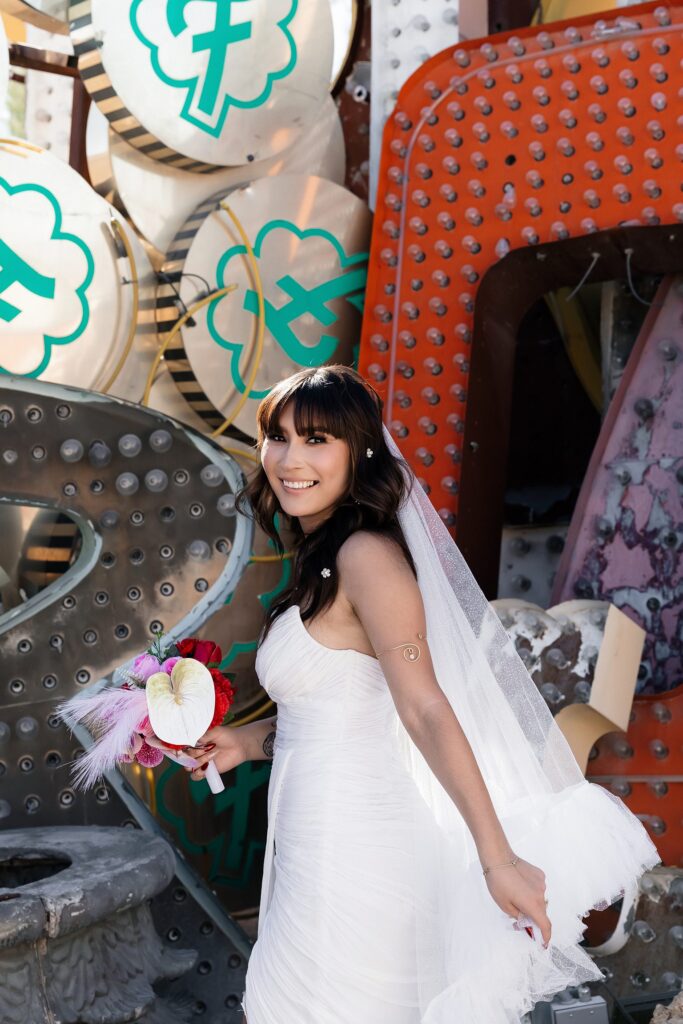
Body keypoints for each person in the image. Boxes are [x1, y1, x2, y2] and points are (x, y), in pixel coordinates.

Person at [184, 365, 661, 1024]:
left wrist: (497, 861)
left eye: (316, 440)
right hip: (312, 837)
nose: (289, 459)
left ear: (359, 454)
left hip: (355, 840)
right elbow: (345, 709)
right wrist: (246, 740)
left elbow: (423, 706)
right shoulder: (325, 555)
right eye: (278, 437)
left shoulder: (365, 557)